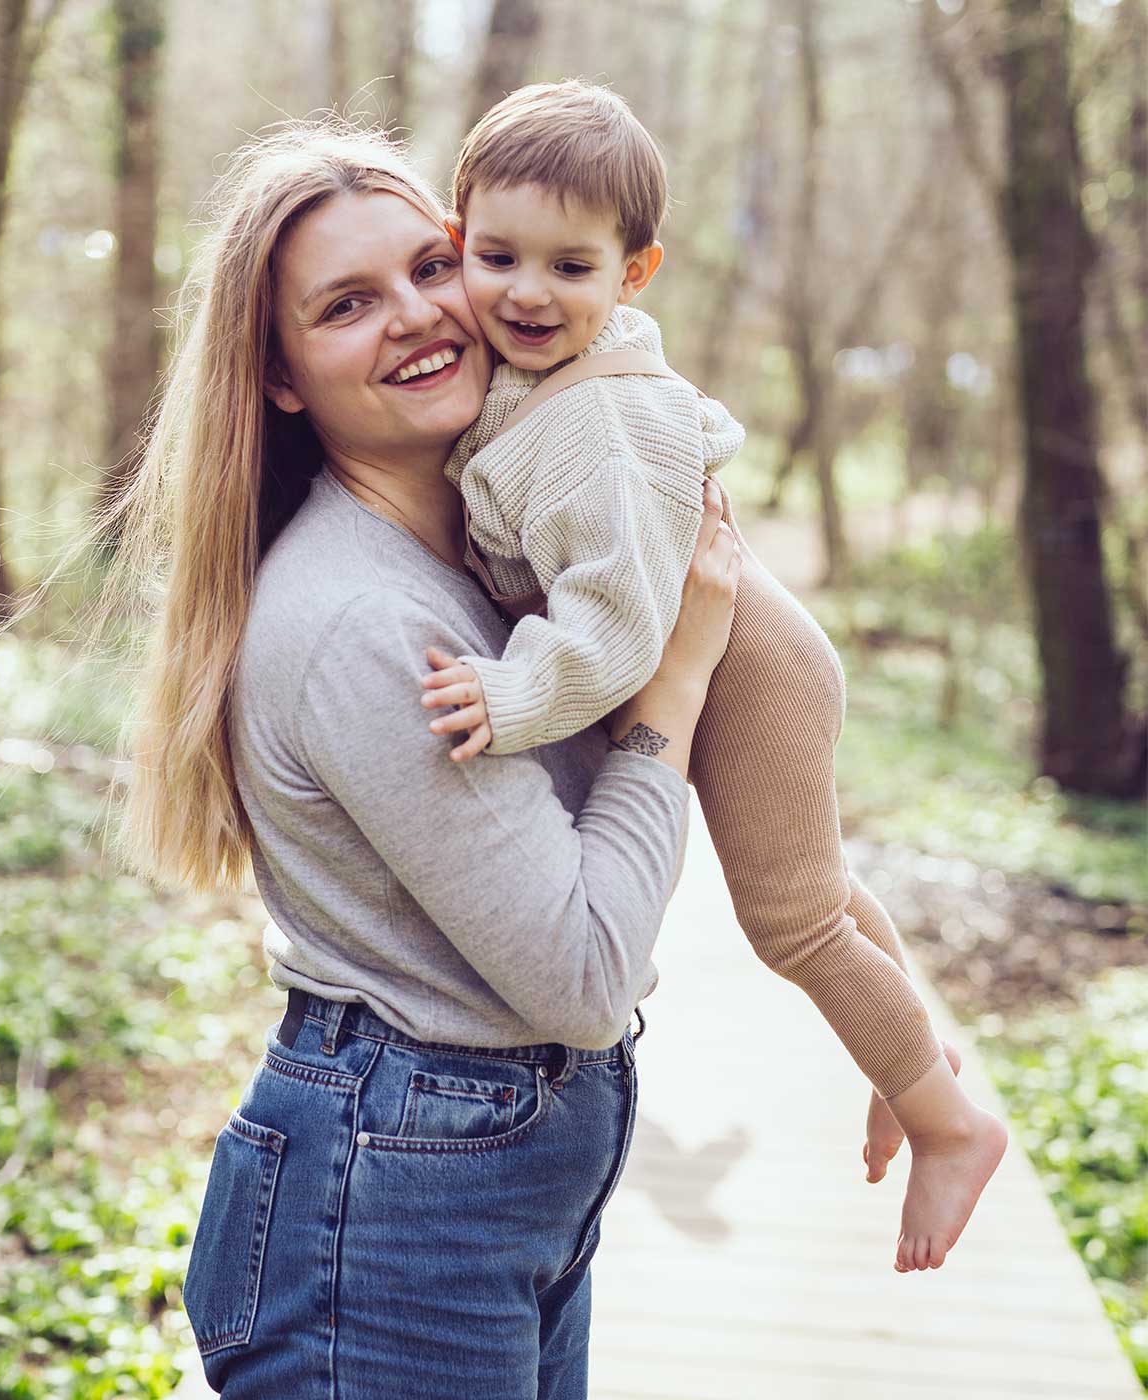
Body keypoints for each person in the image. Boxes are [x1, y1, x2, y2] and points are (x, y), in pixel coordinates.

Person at [110, 121, 739, 1398]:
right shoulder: (363, 620)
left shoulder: (497, 556)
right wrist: (667, 688)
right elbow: (580, 971)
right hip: (389, 1221)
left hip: (491, 1187)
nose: (415, 314)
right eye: (345, 304)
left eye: (430, 265)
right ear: (280, 374)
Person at [420, 79, 1007, 1276]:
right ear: (455, 239)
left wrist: (515, 694)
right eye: (497, 257)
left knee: (790, 919)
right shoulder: (537, 377)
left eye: (570, 268)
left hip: (746, 673)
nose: (526, 292)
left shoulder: (600, 423)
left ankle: (951, 1123)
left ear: (633, 274)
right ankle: (910, 1060)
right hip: (759, 646)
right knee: (818, 887)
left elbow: (621, 618)